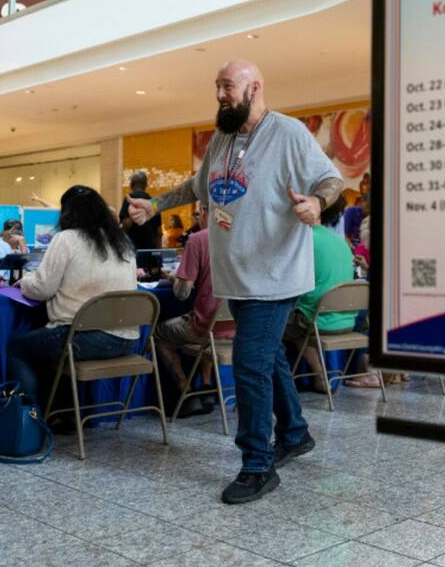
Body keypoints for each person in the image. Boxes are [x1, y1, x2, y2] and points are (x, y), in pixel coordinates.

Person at [127, 60, 345, 504]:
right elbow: (198, 185)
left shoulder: (288, 132)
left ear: (254, 87)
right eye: (217, 86)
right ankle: (296, 432)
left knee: (248, 366)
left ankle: (257, 465)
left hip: (275, 275)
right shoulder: (223, 139)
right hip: (236, 277)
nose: (220, 94)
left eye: (228, 86)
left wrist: (316, 204)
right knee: (269, 361)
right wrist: (156, 206)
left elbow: (331, 178)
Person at [8, 185, 139, 403]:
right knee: (50, 342)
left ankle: (29, 421)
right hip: (128, 339)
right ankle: (64, 414)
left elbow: (42, 290)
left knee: (16, 349)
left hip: (83, 338)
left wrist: (26, 281)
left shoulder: (66, 239)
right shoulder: (122, 241)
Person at [282, 199, 378, 389]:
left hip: (318, 323)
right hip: (347, 322)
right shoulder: (341, 243)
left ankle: (319, 374)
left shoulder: (303, 240)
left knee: (283, 324)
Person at [155, 204, 233, 417]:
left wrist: (174, 278)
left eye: (198, 213)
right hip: (242, 326)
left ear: (207, 212)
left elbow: (181, 293)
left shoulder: (198, 239)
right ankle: (206, 386)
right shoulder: (248, 236)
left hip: (206, 329)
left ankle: (186, 391)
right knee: (208, 320)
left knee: (160, 333)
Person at [119, 171, 161, 250]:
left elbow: (126, 224)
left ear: (131, 184)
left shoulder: (129, 199)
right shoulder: (154, 202)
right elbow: (159, 231)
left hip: (133, 249)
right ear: (146, 185)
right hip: (150, 249)